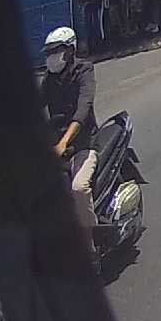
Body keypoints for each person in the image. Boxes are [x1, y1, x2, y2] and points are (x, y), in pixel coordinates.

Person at [39, 27, 99, 260]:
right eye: (49, 53)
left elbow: (84, 108)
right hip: (56, 144)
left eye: (56, 51)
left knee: (79, 189)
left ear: (70, 51)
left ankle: (89, 247)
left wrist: (64, 142)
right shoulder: (50, 79)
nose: (52, 57)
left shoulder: (84, 70)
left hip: (83, 142)